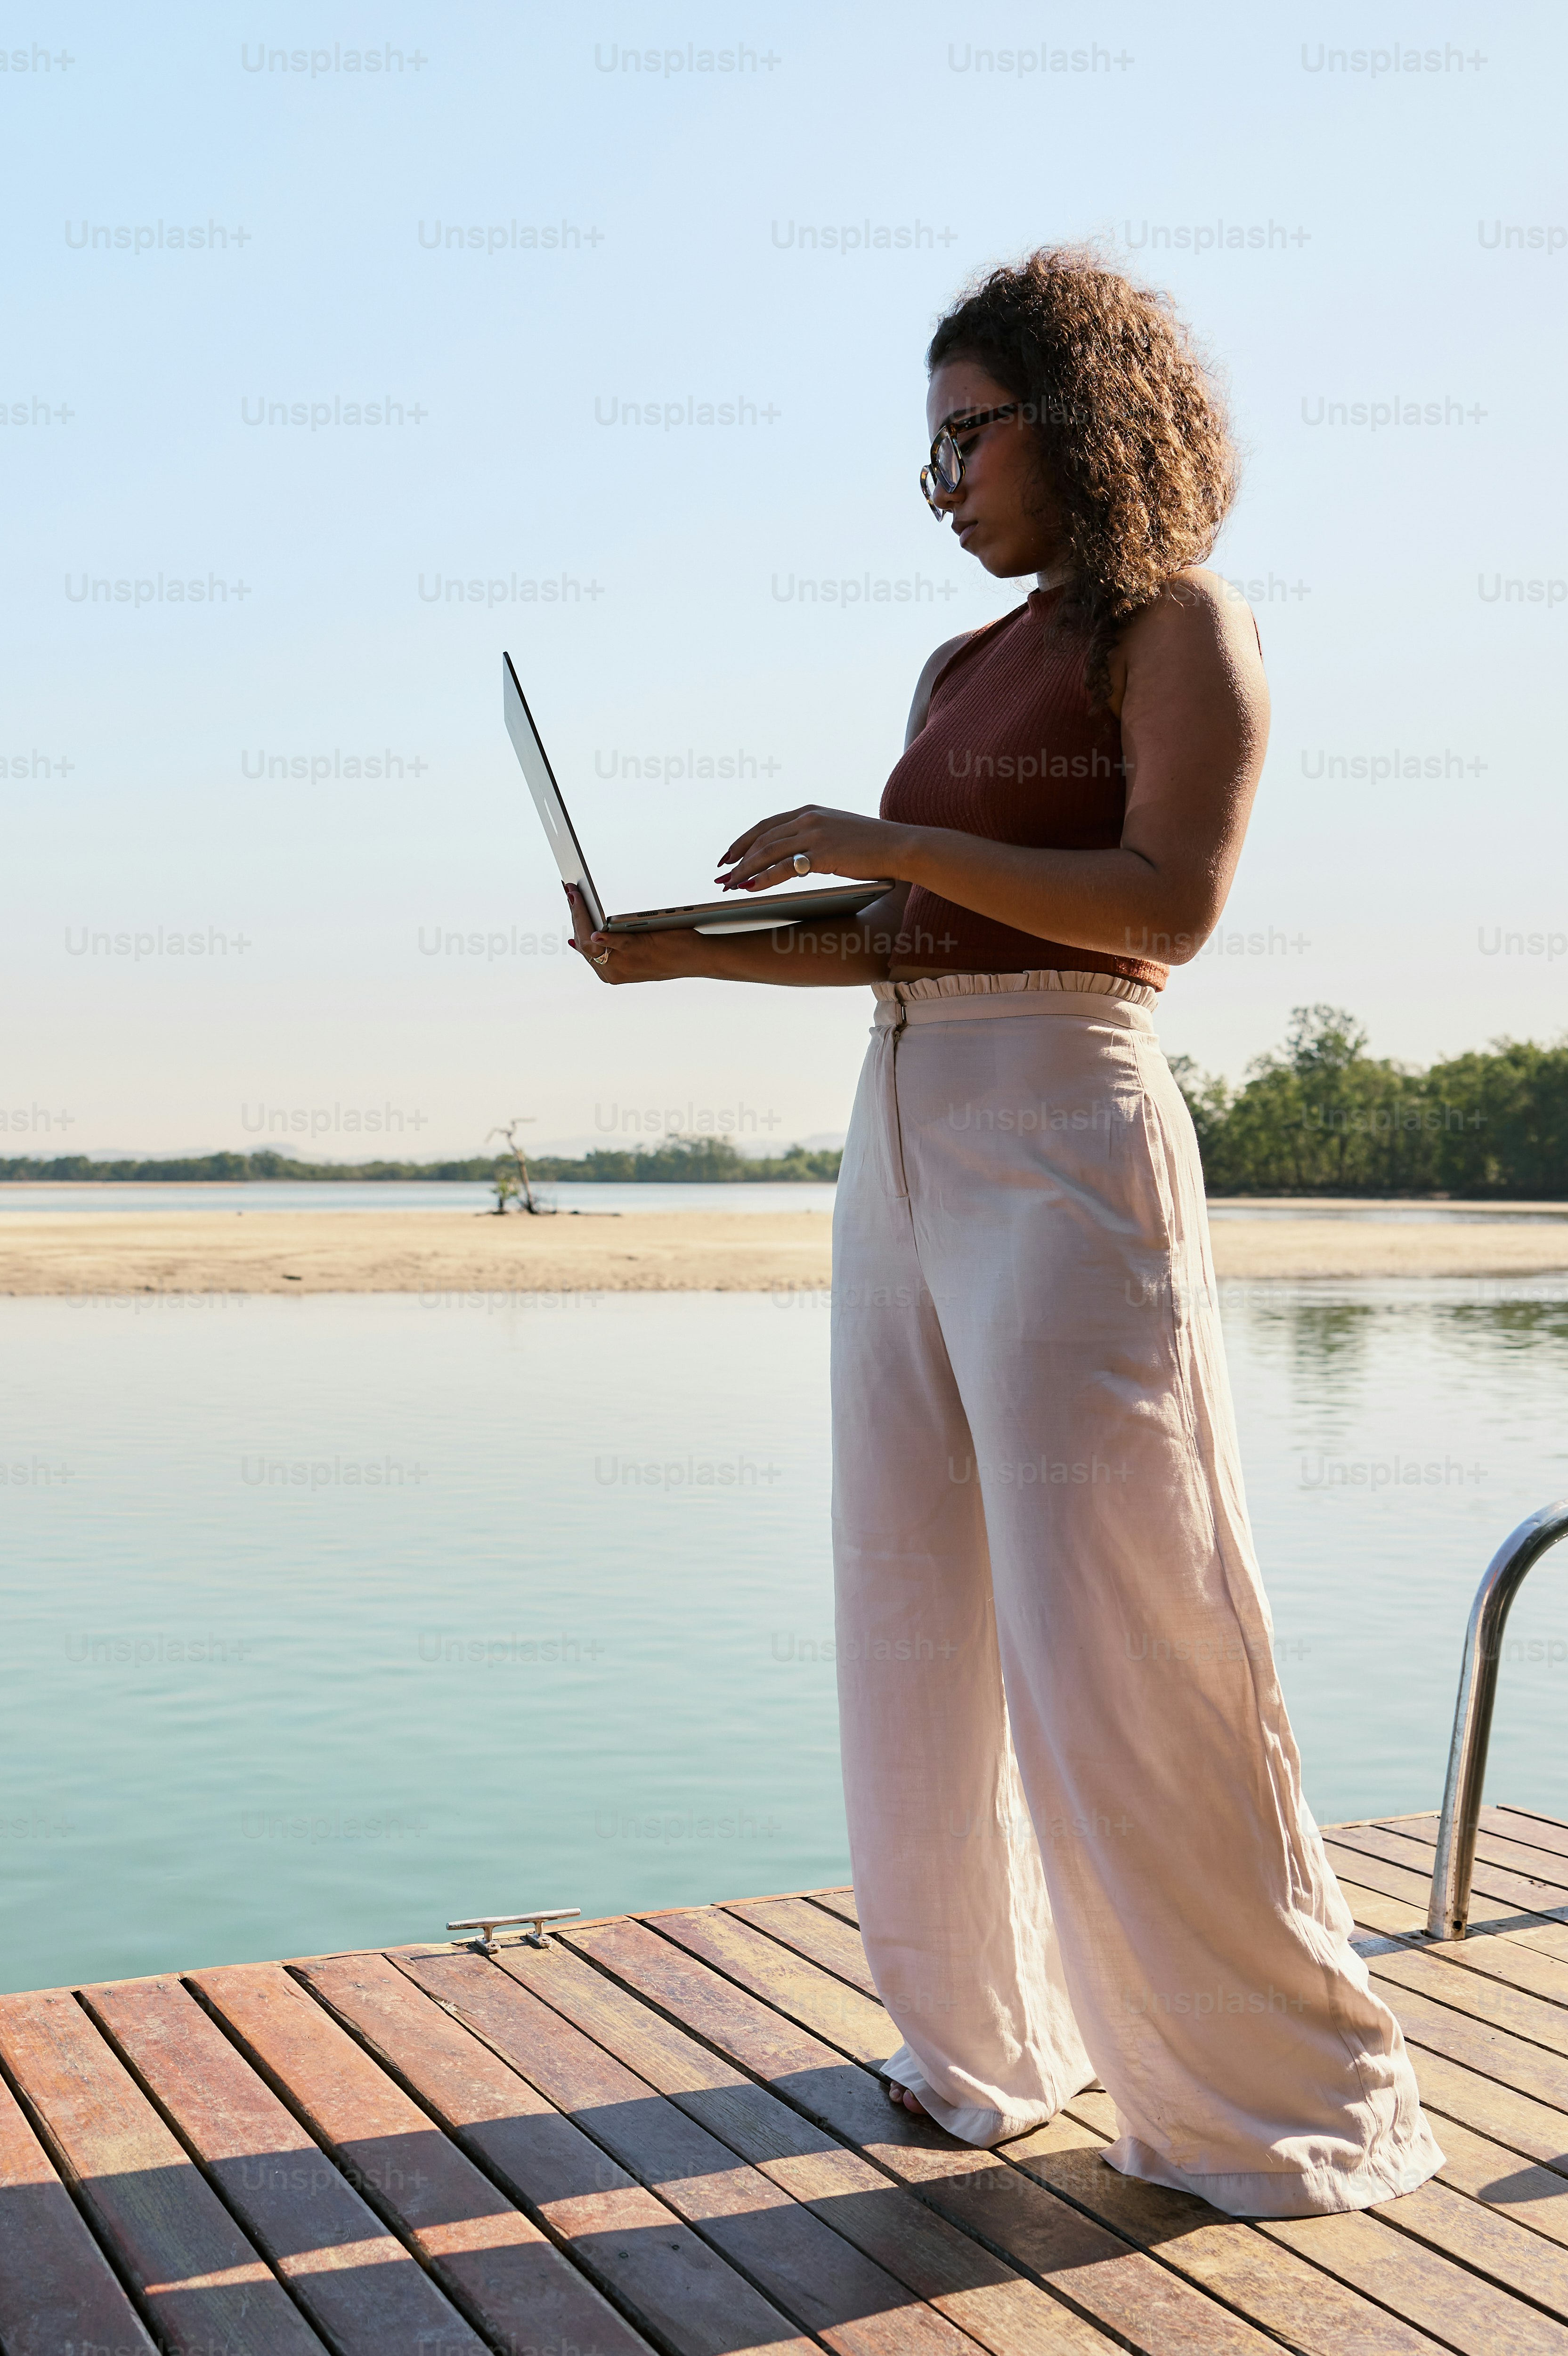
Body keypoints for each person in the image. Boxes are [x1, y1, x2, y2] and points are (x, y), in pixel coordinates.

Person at [567, 245, 1446, 2218]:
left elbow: (1158, 907)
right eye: (931, 452)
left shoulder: (1179, 627)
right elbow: (898, 937)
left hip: (1066, 1122)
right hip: (907, 1119)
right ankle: (984, 2044)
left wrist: (871, 839)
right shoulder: (957, 674)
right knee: (912, 1589)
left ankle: (1269, 2089)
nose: (946, 480)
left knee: (1119, 1601)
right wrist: (676, 961)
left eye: (967, 437)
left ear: (1080, 423)